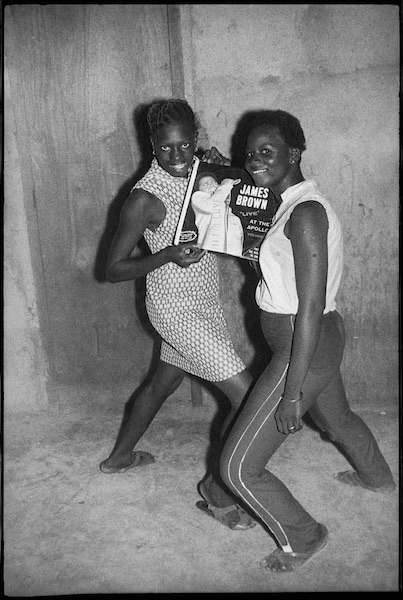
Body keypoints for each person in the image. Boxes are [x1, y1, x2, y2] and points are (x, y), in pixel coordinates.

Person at [216, 109, 396, 573]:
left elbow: (309, 307)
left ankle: (306, 534)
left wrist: (292, 394)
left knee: (238, 468)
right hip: (314, 341)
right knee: (337, 418)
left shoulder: (305, 213)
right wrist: (222, 166)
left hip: (305, 344)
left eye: (267, 152)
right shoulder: (286, 202)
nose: (255, 160)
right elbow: (247, 176)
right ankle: (377, 477)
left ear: (294, 154)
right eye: (250, 153)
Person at [99, 98, 255, 530]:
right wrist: (167, 253)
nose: (177, 156)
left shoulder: (200, 166)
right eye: (166, 148)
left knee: (158, 386)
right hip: (173, 308)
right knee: (247, 398)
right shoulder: (144, 198)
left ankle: (118, 458)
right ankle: (217, 492)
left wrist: (225, 174)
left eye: (185, 145)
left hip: (205, 300)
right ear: (151, 144)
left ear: (196, 139)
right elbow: (111, 269)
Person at [191, 173, 244, 256]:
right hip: (208, 254)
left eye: (213, 182)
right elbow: (211, 206)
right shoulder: (197, 197)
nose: (210, 184)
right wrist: (226, 185)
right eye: (205, 184)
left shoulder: (234, 217)